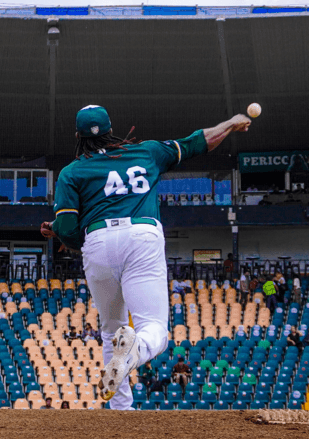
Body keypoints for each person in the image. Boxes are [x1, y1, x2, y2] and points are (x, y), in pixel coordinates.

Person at [41, 106, 252, 409]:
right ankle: (137, 349)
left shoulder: (72, 172)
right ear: (112, 128)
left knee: (111, 329)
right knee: (153, 327)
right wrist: (230, 124)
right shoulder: (148, 152)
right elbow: (197, 142)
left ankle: (120, 410)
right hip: (142, 235)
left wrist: (59, 233)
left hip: (98, 241)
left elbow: (68, 229)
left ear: (78, 136)